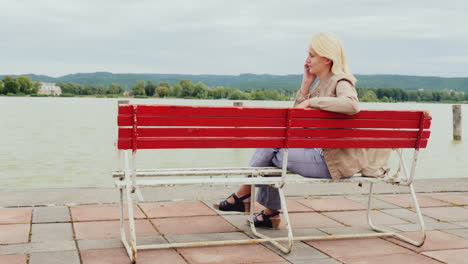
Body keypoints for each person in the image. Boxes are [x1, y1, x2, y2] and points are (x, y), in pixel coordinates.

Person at [214, 32, 386, 228]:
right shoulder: (322, 84)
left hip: (332, 162)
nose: (307, 60)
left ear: (327, 58)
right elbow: (296, 120)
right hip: (322, 155)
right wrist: (305, 85)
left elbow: (352, 105)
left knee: (273, 151)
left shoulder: (341, 81)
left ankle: (245, 194)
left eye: (312, 55)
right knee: (275, 145)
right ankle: (266, 212)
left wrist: (312, 101)